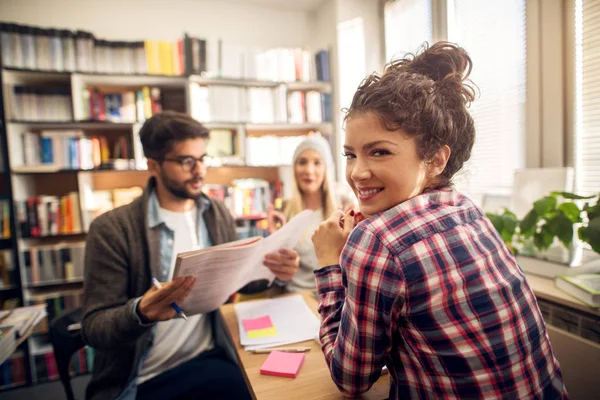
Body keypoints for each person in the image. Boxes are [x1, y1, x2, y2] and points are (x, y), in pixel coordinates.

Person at [311, 42, 568, 399]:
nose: (357, 172)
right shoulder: (466, 209)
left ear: (434, 160)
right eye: (350, 154)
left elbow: (350, 380)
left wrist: (328, 264)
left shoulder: (376, 240)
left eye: (380, 151)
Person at [81, 111, 299, 400]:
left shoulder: (215, 212)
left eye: (202, 159)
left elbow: (236, 281)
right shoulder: (112, 230)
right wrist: (141, 312)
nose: (199, 171)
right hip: (143, 378)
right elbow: (94, 328)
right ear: (153, 165)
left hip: (209, 358)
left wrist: (273, 271)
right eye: (186, 161)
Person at [266, 135, 351, 293]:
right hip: (293, 295)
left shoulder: (344, 207)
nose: (309, 170)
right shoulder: (283, 210)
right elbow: (275, 272)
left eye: (317, 162)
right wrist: (273, 244)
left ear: (326, 169)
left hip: (334, 295)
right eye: (302, 162)